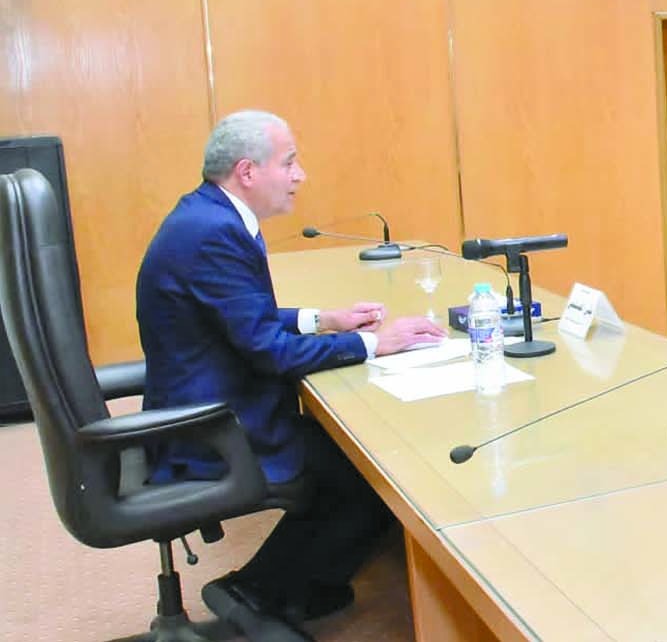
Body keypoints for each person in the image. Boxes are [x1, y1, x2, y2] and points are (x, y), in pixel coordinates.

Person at [137, 111, 446, 640]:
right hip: (211, 429)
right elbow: (268, 353)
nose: (300, 175)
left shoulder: (206, 214)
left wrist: (324, 320)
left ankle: (301, 587)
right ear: (247, 172)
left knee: (356, 458)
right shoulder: (215, 232)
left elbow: (239, 316)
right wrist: (375, 343)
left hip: (207, 403)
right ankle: (255, 591)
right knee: (374, 473)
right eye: (289, 162)